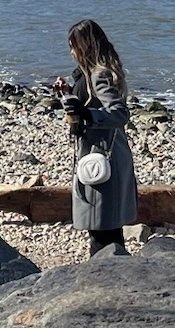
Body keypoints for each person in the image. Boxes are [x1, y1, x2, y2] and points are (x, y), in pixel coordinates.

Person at [56, 18, 137, 257]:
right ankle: (114, 271)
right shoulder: (96, 72)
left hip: (101, 156)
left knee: (101, 225)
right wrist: (69, 95)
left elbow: (120, 113)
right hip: (107, 154)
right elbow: (88, 105)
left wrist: (88, 115)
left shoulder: (98, 75)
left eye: (73, 46)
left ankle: (104, 276)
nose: (71, 52)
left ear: (85, 46)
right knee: (107, 223)